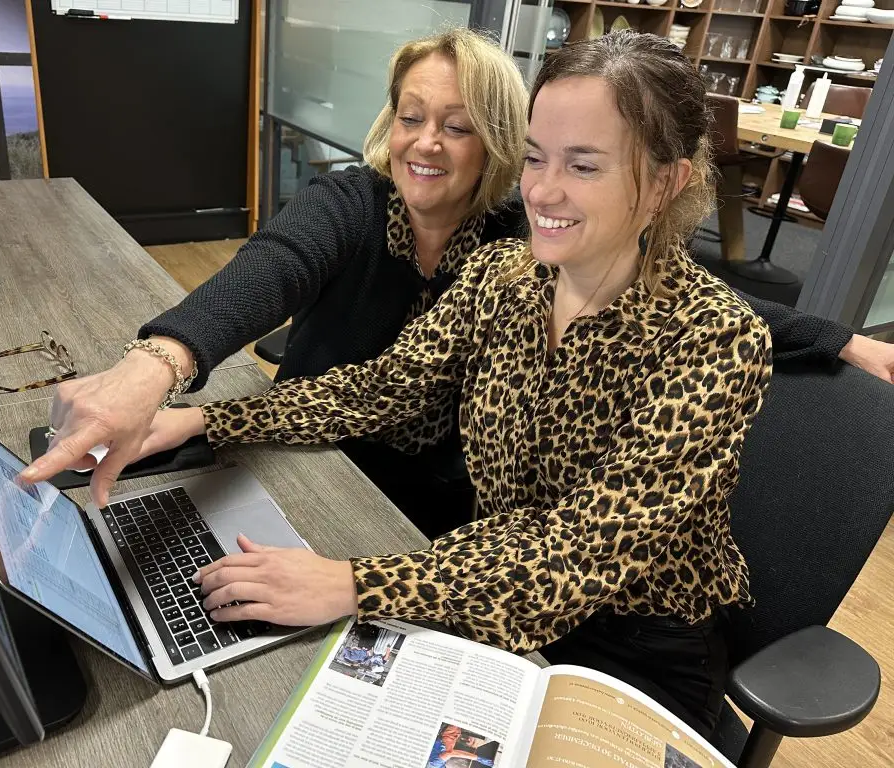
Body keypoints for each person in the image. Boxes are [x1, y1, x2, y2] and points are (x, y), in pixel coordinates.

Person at [67, 31, 790, 738]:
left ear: (666, 182)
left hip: (629, 642)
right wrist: (202, 423)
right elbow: (380, 389)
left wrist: (350, 584)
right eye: (537, 158)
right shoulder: (503, 278)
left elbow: (574, 559)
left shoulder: (715, 339)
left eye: (585, 165)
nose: (543, 189)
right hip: (483, 581)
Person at [23, 31, 894, 535]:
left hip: (451, 519)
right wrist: (162, 366)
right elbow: (275, 276)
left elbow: (698, 303)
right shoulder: (365, 210)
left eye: (458, 125)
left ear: (500, 142)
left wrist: (836, 335)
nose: (425, 143)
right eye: (410, 117)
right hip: (324, 459)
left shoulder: (525, 244)